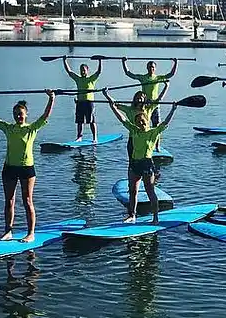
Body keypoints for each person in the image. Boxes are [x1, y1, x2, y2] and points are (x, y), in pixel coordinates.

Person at [0, 90, 55, 242]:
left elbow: (45, 115)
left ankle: (31, 233)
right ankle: (8, 231)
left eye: (20, 113)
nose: (18, 116)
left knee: (27, 201)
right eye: (15, 114)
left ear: (26, 114)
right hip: (9, 168)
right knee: (9, 201)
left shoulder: (31, 128)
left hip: (27, 169)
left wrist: (51, 98)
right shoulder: (8, 128)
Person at [103, 87, 177, 224]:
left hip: (147, 165)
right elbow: (122, 118)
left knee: (150, 192)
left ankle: (155, 218)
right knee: (132, 191)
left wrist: (173, 109)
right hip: (134, 164)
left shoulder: (153, 132)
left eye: (143, 122)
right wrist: (111, 106)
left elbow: (165, 122)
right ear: (136, 124)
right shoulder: (134, 130)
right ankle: (132, 215)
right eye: (138, 122)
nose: (141, 124)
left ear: (147, 121)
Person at [122, 58, 178, 141]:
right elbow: (128, 73)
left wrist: (175, 63)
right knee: (143, 124)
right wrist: (124, 62)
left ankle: (157, 146)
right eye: (149, 67)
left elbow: (171, 74)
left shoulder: (158, 78)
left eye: (152, 67)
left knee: (157, 125)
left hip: (155, 105)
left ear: (155, 68)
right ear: (147, 68)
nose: (151, 68)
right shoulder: (143, 78)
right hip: (144, 106)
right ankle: (143, 139)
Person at [62, 58, 102, 141]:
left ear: (87, 70)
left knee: (91, 121)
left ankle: (95, 137)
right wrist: (64, 60)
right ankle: (79, 137)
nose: (82, 72)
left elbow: (98, 72)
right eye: (81, 70)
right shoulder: (78, 79)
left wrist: (100, 61)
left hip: (89, 103)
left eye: (84, 70)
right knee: (79, 121)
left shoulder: (91, 79)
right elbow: (69, 72)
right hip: (80, 102)